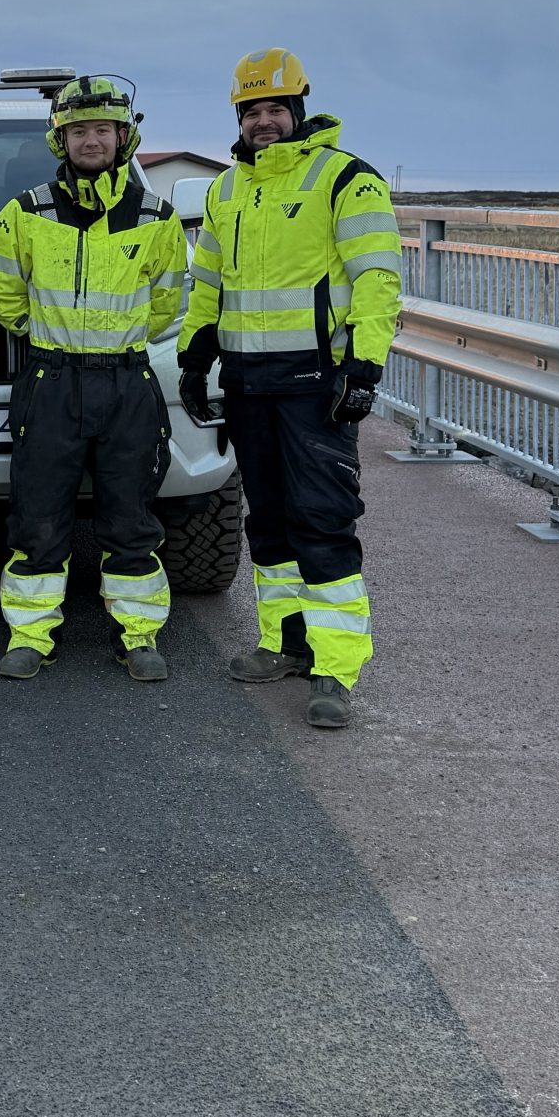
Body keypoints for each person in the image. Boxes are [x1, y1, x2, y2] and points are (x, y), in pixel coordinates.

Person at [176, 46, 402, 729]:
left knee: (323, 523)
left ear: (299, 111)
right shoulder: (225, 190)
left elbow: (377, 280)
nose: (264, 122)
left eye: (276, 109)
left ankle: (335, 669)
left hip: (316, 385)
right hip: (249, 384)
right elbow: (209, 282)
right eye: (252, 112)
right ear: (239, 118)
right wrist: (194, 355)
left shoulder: (346, 180)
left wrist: (362, 369)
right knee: (268, 524)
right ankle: (284, 643)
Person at [0, 75, 188, 682]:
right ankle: (30, 634)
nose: (91, 140)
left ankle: (140, 634)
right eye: (78, 130)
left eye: (102, 129)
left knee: (130, 518)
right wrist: (54, 339)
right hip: (51, 379)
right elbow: (4, 292)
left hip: (126, 383)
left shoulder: (156, 216)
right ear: (60, 139)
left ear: (124, 137)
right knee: (39, 516)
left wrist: (112, 343)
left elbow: (166, 304)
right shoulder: (26, 211)